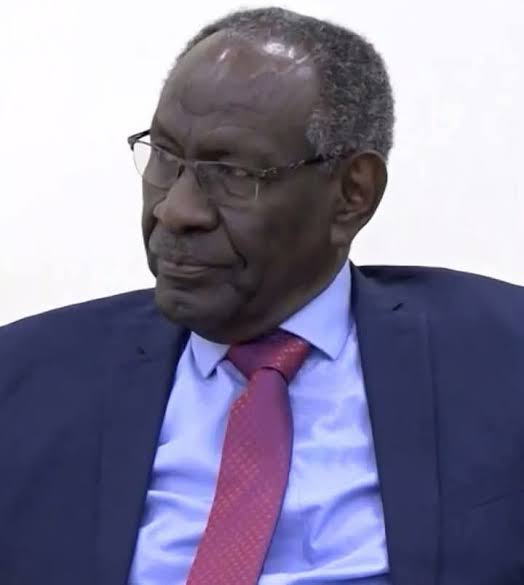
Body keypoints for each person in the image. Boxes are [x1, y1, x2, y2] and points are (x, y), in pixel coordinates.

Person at [1, 6, 523, 585]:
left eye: (232, 174)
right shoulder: (23, 379)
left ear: (352, 194)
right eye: (165, 157)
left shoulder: (501, 359)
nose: (175, 209)